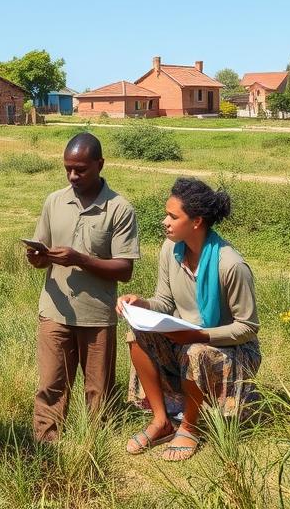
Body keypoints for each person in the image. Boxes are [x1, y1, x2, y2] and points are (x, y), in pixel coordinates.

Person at [119, 177, 261, 461]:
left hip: (233, 349)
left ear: (196, 221)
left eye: (173, 216)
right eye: (166, 215)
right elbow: (165, 302)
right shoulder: (170, 250)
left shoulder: (230, 264)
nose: (165, 222)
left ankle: (189, 427)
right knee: (136, 334)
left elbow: (247, 327)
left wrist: (199, 336)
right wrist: (141, 303)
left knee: (195, 352)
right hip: (184, 338)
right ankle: (161, 421)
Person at [25, 132, 139, 443]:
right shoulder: (54, 201)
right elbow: (43, 253)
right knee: (51, 386)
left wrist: (79, 259)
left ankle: (95, 449)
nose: (73, 176)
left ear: (100, 164)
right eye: (68, 169)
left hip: (96, 315)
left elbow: (124, 269)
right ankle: (45, 448)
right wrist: (37, 258)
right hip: (55, 310)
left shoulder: (119, 209)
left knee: (97, 392)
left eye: (81, 169)